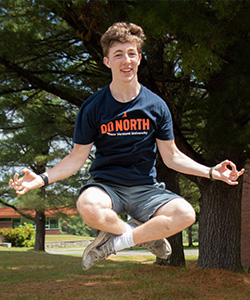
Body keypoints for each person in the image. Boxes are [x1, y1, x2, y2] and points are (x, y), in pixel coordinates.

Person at [9, 22, 245, 271]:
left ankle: (115, 243)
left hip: (146, 190)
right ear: (107, 61)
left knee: (186, 214)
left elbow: (172, 156)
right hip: (107, 187)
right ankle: (146, 235)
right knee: (86, 205)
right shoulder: (93, 107)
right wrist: (42, 179)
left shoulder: (156, 106)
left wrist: (210, 172)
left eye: (132, 53)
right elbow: (77, 157)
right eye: (118, 55)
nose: (126, 60)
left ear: (140, 58)